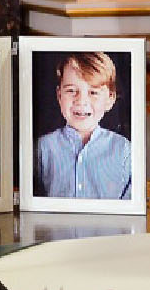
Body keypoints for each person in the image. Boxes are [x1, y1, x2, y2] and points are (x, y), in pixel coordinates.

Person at [34, 52, 131, 199]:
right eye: (71, 91)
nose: (81, 101)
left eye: (93, 92)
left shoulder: (124, 150)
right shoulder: (42, 148)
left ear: (110, 99)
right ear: (59, 95)